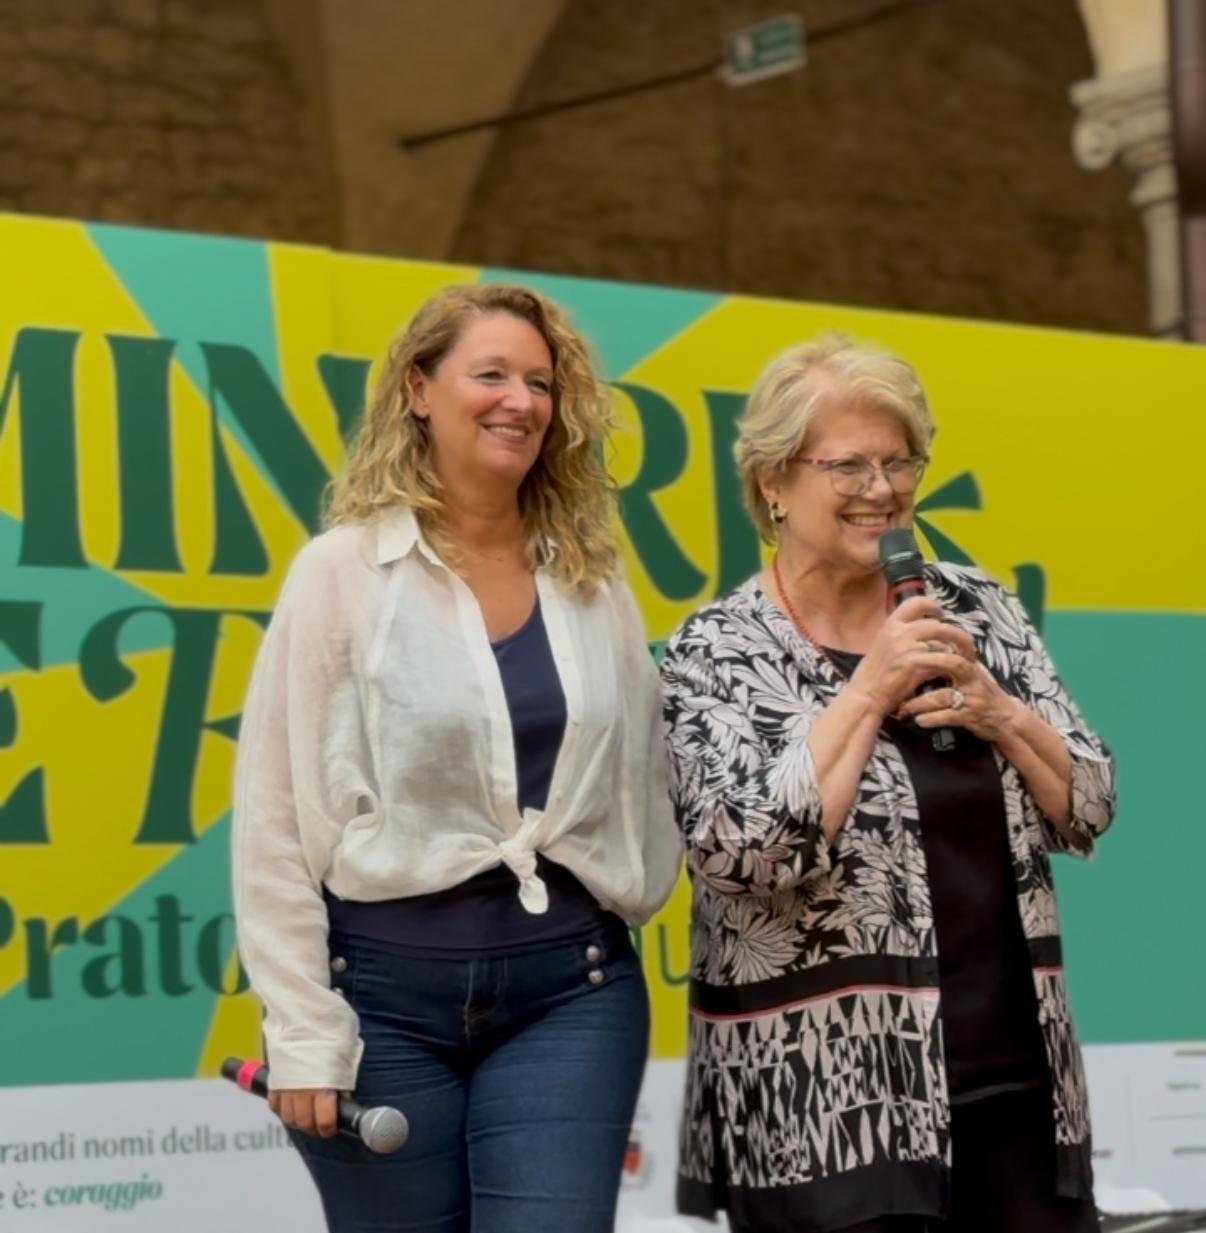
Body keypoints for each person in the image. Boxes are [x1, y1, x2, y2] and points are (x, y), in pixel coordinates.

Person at [232, 283, 681, 1233]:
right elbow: (275, 820)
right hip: (378, 1011)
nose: (521, 400)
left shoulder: (591, 580)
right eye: (491, 374)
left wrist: (634, 889)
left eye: (540, 382)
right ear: (419, 390)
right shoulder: (341, 574)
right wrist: (305, 1034)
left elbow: (644, 773)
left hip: (574, 993)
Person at [659, 334, 1115, 1233]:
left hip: (1014, 1078)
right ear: (775, 483)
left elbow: (1090, 803)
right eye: (850, 464)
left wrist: (1000, 712)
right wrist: (869, 685)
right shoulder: (715, 650)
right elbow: (737, 854)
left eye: (899, 460)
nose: (883, 487)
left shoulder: (975, 607)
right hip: (819, 1099)